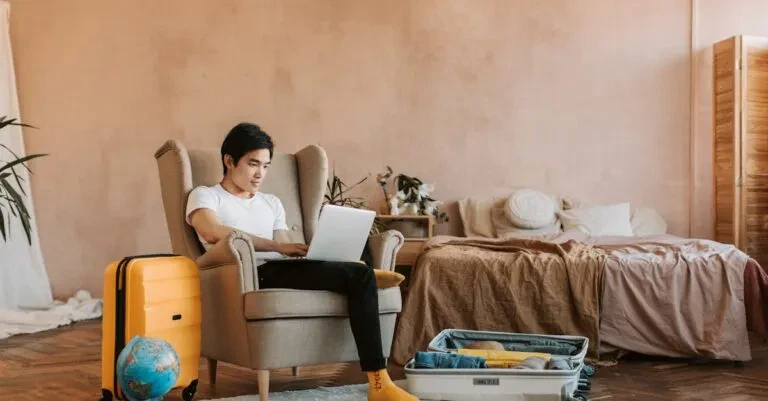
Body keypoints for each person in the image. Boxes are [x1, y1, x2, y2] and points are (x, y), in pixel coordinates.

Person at [185, 122, 419, 401]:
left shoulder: (271, 202)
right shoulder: (206, 195)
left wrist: (306, 251)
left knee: (359, 251)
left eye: (266, 166)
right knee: (358, 276)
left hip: (282, 268)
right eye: (253, 164)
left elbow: (286, 245)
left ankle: (362, 274)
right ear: (229, 161)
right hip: (253, 273)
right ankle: (379, 381)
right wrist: (276, 246)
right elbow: (211, 231)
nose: (260, 174)